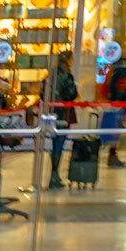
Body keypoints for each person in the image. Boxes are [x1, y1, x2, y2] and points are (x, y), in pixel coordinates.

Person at [46, 48, 78, 189]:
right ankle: (54, 174)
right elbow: (72, 94)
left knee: (55, 143)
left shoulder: (52, 74)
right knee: (59, 143)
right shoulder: (67, 75)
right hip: (64, 112)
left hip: (53, 111)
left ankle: (54, 174)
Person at [100, 50, 126, 169]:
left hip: (113, 103)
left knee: (114, 131)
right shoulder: (122, 70)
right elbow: (123, 87)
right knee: (115, 131)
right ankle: (112, 156)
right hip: (118, 104)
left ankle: (112, 155)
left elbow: (106, 86)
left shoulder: (113, 69)